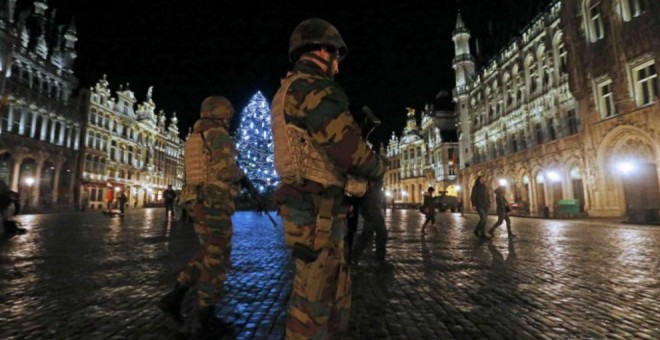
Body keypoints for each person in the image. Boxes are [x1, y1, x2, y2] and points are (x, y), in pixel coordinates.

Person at [271, 18, 386, 339]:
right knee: (314, 302)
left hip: (308, 205)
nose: (338, 67)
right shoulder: (315, 87)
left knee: (328, 290)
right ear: (323, 51)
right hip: (318, 210)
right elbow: (348, 150)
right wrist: (379, 166)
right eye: (337, 57)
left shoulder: (288, 88)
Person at [157, 96, 244, 335]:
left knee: (206, 252)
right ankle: (204, 318)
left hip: (197, 201)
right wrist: (241, 174)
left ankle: (174, 298)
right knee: (217, 259)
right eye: (227, 115)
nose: (229, 119)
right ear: (219, 114)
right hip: (213, 203)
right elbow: (226, 171)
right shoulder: (217, 135)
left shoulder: (195, 137)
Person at [351, 175, 388, 265]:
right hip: (371, 214)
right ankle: (355, 256)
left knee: (377, 234)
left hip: (374, 214)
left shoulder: (374, 191)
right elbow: (363, 203)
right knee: (369, 235)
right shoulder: (369, 192)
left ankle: (356, 256)